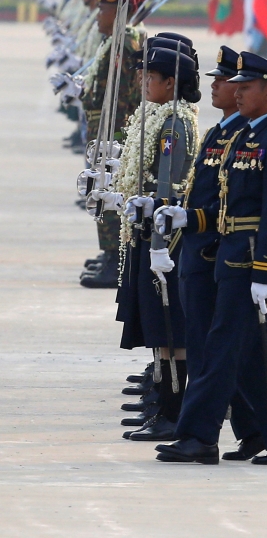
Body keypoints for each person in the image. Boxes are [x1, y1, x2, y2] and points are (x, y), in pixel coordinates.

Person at [153, 52, 267, 465]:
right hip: (227, 254)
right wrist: (188, 218)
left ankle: (198, 435)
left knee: (224, 348)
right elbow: (225, 207)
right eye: (237, 85)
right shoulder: (245, 138)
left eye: (245, 87)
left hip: (249, 260)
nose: (237, 92)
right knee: (253, 351)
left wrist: (265, 272)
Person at [101, 41, 200, 441]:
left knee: (169, 330)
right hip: (147, 229)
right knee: (158, 329)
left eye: (151, 77)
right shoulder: (157, 115)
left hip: (164, 237)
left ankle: (172, 413)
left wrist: (153, 227)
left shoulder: (173, 124)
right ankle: (161, 404)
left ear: (171, 83)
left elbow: (167, 186)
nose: (143, 82)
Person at [171, 45, 261, 459]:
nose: (218, 87)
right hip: (205, 252)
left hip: (220, 253)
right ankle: (265, 432)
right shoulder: (218, 133)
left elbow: (246, 207)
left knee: (217, 354)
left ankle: (200, 436)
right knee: (243, 353)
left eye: (224, 82)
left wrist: (202, 233)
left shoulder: (250, 137)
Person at [79, 0, 147, 288]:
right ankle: (109, 253)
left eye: (103, 9)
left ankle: (117, 259)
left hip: (116, 130)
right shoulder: (113, 42)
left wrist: (121, 135)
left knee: (111, 192)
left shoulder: (127, 43)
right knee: (100, 189)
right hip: (105, 128)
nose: (97, 16)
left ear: (119, 13)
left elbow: (129, 95)